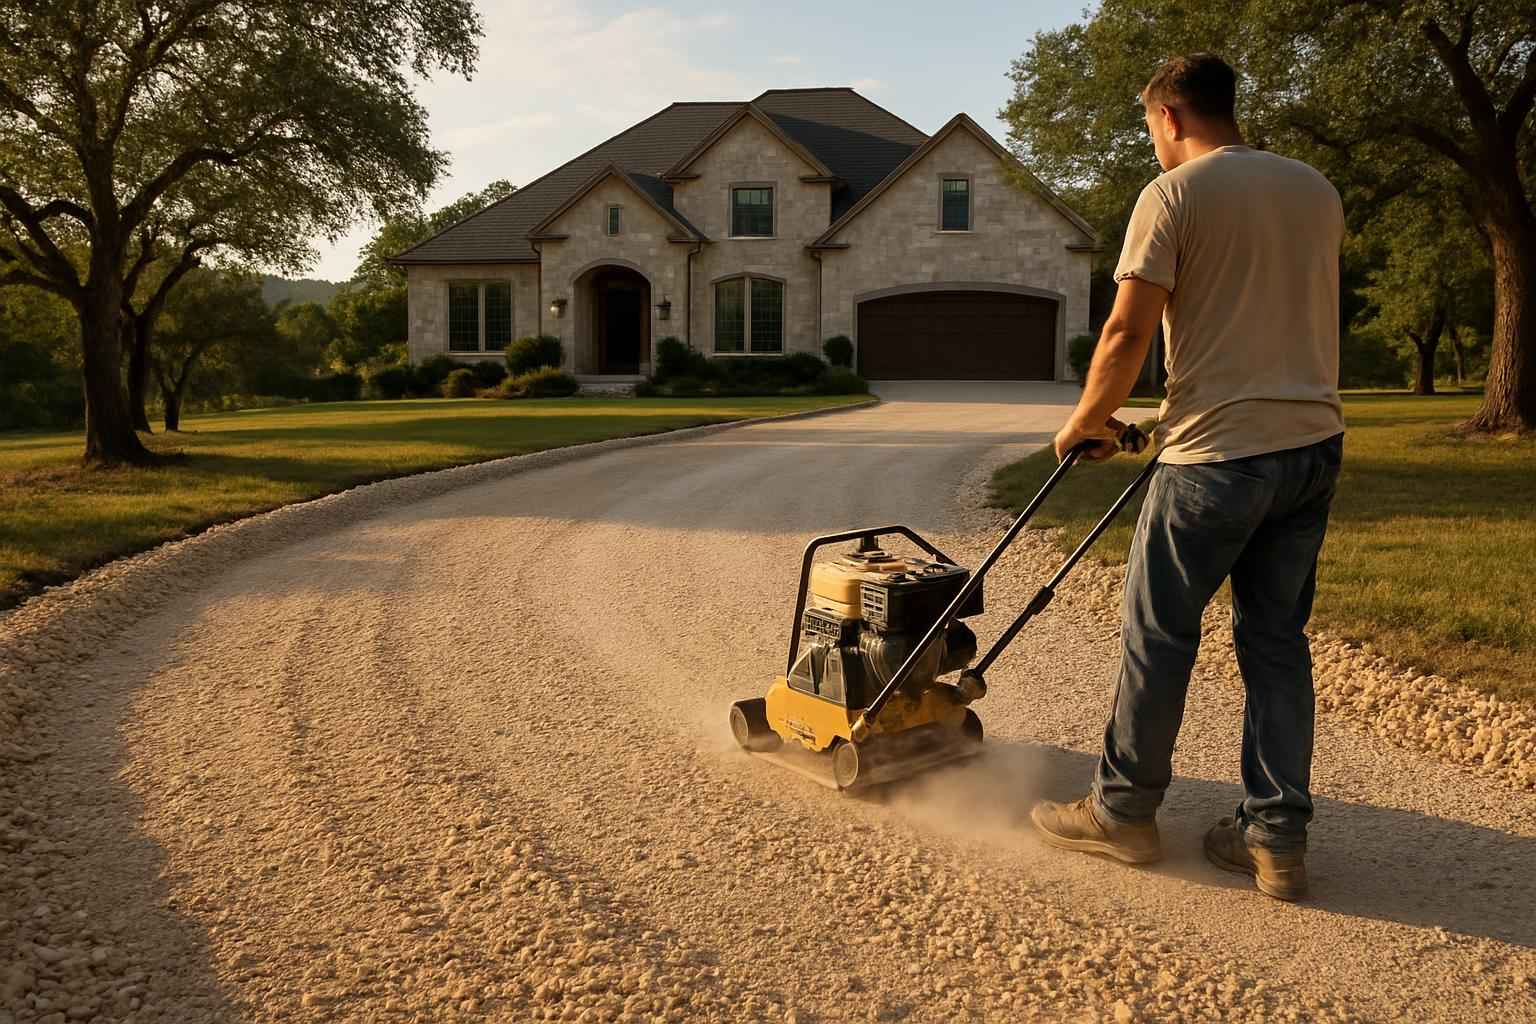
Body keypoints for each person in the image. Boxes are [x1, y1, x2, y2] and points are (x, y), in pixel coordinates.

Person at [1029, 52, 1345, 902]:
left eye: (1150, 129)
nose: (1154, 145)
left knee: (1159, 635)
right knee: (1276, 643)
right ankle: (1276, 840)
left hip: (1214, 457)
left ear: (1168, 116)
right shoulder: (1316, 190)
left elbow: (1127, 332)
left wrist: (1086, 423)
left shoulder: (1171, 195)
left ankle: (1123, 813)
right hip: (1312, 448)